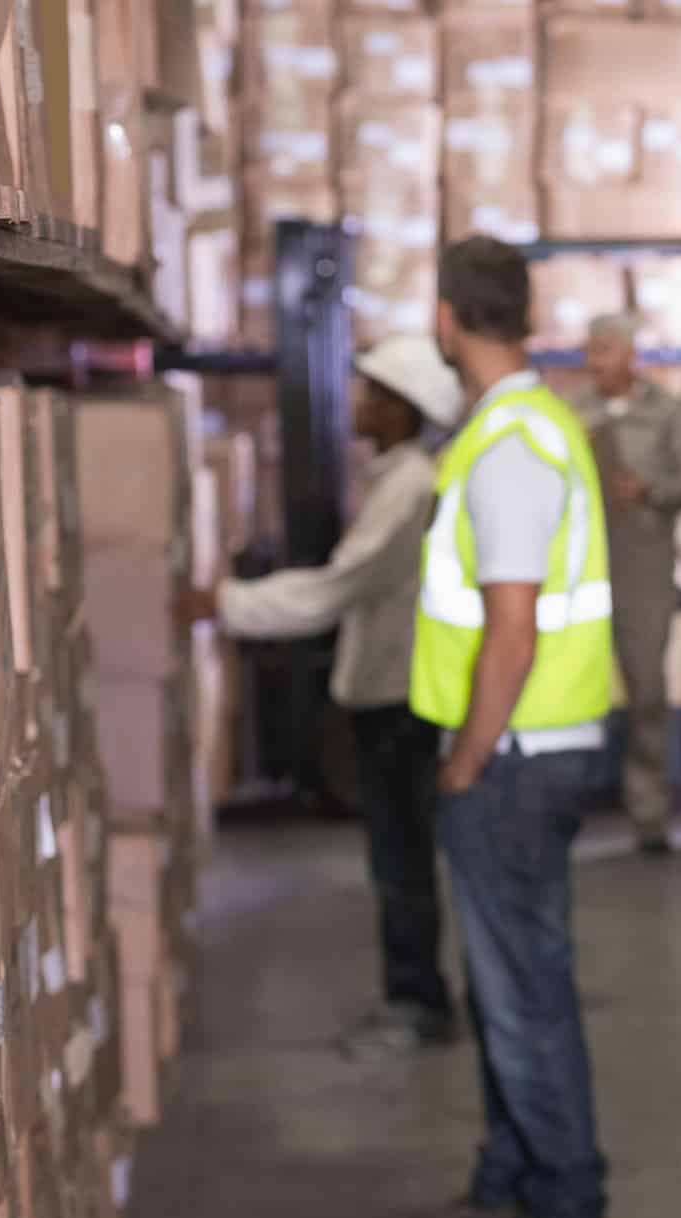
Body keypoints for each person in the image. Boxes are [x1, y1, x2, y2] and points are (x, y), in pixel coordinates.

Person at [405, 235, 620, 1218]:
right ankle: (508, 1180)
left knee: (524, 993)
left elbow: (513, 630)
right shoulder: (519, 427)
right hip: (529, 751)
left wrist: (465, 759)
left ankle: (568, 1216)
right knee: (503, 990)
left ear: (448, 320)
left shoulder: (509, 447)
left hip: (515, 760)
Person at [178, 336, 469, 1051]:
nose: (359, 405)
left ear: (401, 408)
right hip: (384, 687)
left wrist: (224, 602)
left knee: (400, 859)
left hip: (401, 699)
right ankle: (414, 995)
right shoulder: (396, 477)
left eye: (371, 393)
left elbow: (335, 589)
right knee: (393, 854)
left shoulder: (409, 490)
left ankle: (417, 1003)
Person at [581, 313, 681, 855]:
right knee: (574, 686)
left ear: (632, 354)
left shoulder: (666, 413)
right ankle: (571, 802)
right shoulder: (574, 412)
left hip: (642, 560)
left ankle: (649, 813)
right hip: (585, 562)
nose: (598, 361)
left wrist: (650, 489)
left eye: (607, 349)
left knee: (648, 693)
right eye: (592, 350)